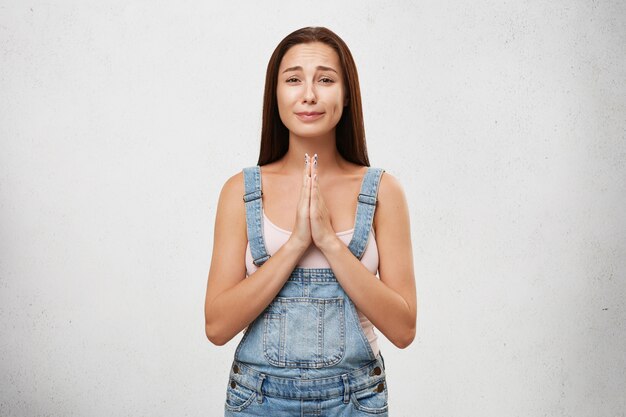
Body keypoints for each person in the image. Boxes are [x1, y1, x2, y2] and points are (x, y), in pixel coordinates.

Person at [204, 26, 417, 416]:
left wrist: (330, 242)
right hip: (258, 401)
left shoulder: (384, 192)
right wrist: (297, 243)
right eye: (293, 80)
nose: (309, 94)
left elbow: (403, 330)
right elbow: (217, 327)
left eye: (325, 79)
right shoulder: (241, 191)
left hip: (354, 402)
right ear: (276, 94)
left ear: (347, 93)